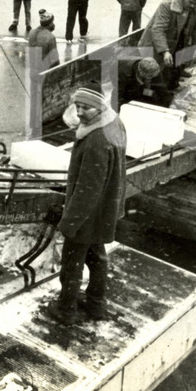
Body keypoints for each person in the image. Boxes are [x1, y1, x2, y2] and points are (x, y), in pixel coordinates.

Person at [42, 83, 127, 326]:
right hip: (104, 210)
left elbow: (88, 190)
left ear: (99, 108)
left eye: (86, 108)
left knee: (72, 263)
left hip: (88, 214)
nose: (79, 112)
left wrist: (69, 222)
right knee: (96, 256)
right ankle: (96, 304)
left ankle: (66, 309)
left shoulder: (96, 141)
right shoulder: (113, 123)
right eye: (77, 106)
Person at [138, 0, 196, 89]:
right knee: (153, 72)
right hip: (156, 42)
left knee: (174, 70)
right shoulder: (167, 4)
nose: (192, 6)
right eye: (191, 2)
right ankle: (149, 94)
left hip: (179, 41)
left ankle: (168, 91)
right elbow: (158, 29)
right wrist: (164, 51)